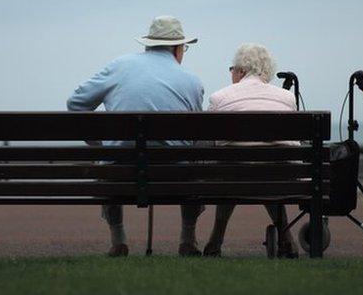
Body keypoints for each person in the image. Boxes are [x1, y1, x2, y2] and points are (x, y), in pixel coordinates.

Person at [66, 16, 205, 257]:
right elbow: (194, 136)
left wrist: (101, 144)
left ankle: (118, 239)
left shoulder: (119, 66)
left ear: (148, 44)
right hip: (175, 177)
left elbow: (76, 104)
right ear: (176, 48)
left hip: (119, 173)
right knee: (192, 163)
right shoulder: (192, 81)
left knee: (108, 161)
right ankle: (187, 239)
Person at [203, 43, 299, 258]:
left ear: (240, 71)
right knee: (266, 171)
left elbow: (210, 140)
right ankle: (287, 240)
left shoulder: (219, 97)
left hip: (233, 175)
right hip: (279, 177)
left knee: (233, 170)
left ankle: (215, 241)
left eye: (232, 69)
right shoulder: (287, 98)